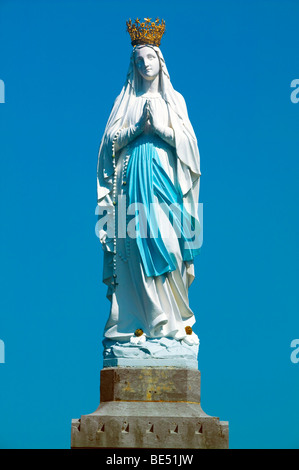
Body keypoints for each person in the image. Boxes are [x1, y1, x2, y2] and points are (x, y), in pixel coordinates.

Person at [96, 24, 201, 355]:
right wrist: (136, 130)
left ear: (160, 61)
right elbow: (106, 148)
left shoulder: (175, 101)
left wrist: (160, 131)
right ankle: (147, 320)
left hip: (165, 181)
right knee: (136, 245)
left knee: (169, 243)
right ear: (133, 65)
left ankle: (173, 323)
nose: (145, 64)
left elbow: (191, 150)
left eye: (150, 57)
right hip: (132, 181)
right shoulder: (124, 101)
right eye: (139, 59)